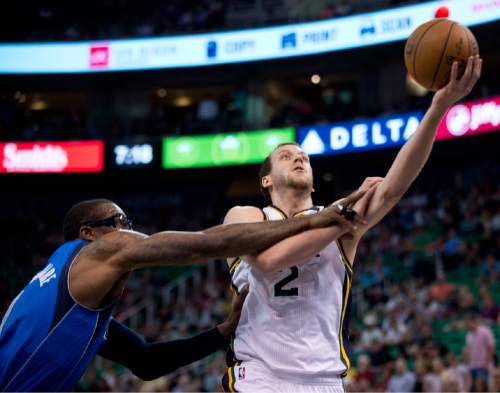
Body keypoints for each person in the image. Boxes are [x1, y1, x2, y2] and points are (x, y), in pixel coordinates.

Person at [222, 55, 482, 392]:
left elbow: (393, 187)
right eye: (287, 156)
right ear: (266, 181)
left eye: (304, 157)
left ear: (314, 183)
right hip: (260, 376)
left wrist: (437, 109)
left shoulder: (340, 215)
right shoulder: (245, 215)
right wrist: (344, 218)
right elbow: (270, 260)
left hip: (325, 379)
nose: (299, 158)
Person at [0, 195, 365, 392]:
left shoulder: (63, 299)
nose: (130, 232)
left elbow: (146, 362)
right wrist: (311, 220)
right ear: (89, 234)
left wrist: (222, 333)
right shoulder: (92, 253)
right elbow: (206, 244)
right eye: (120, 224)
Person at [464, 313, 496, 392]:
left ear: (473, 321)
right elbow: (469, 351)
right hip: (472, 366)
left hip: (483, 365)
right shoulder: (468, 336)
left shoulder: (485, 331)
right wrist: (468, 364)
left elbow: (491, 347)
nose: (466, 325)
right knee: (471, 388)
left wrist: (488, 362)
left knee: (480, 385)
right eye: (466, 323)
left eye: (468, 323)